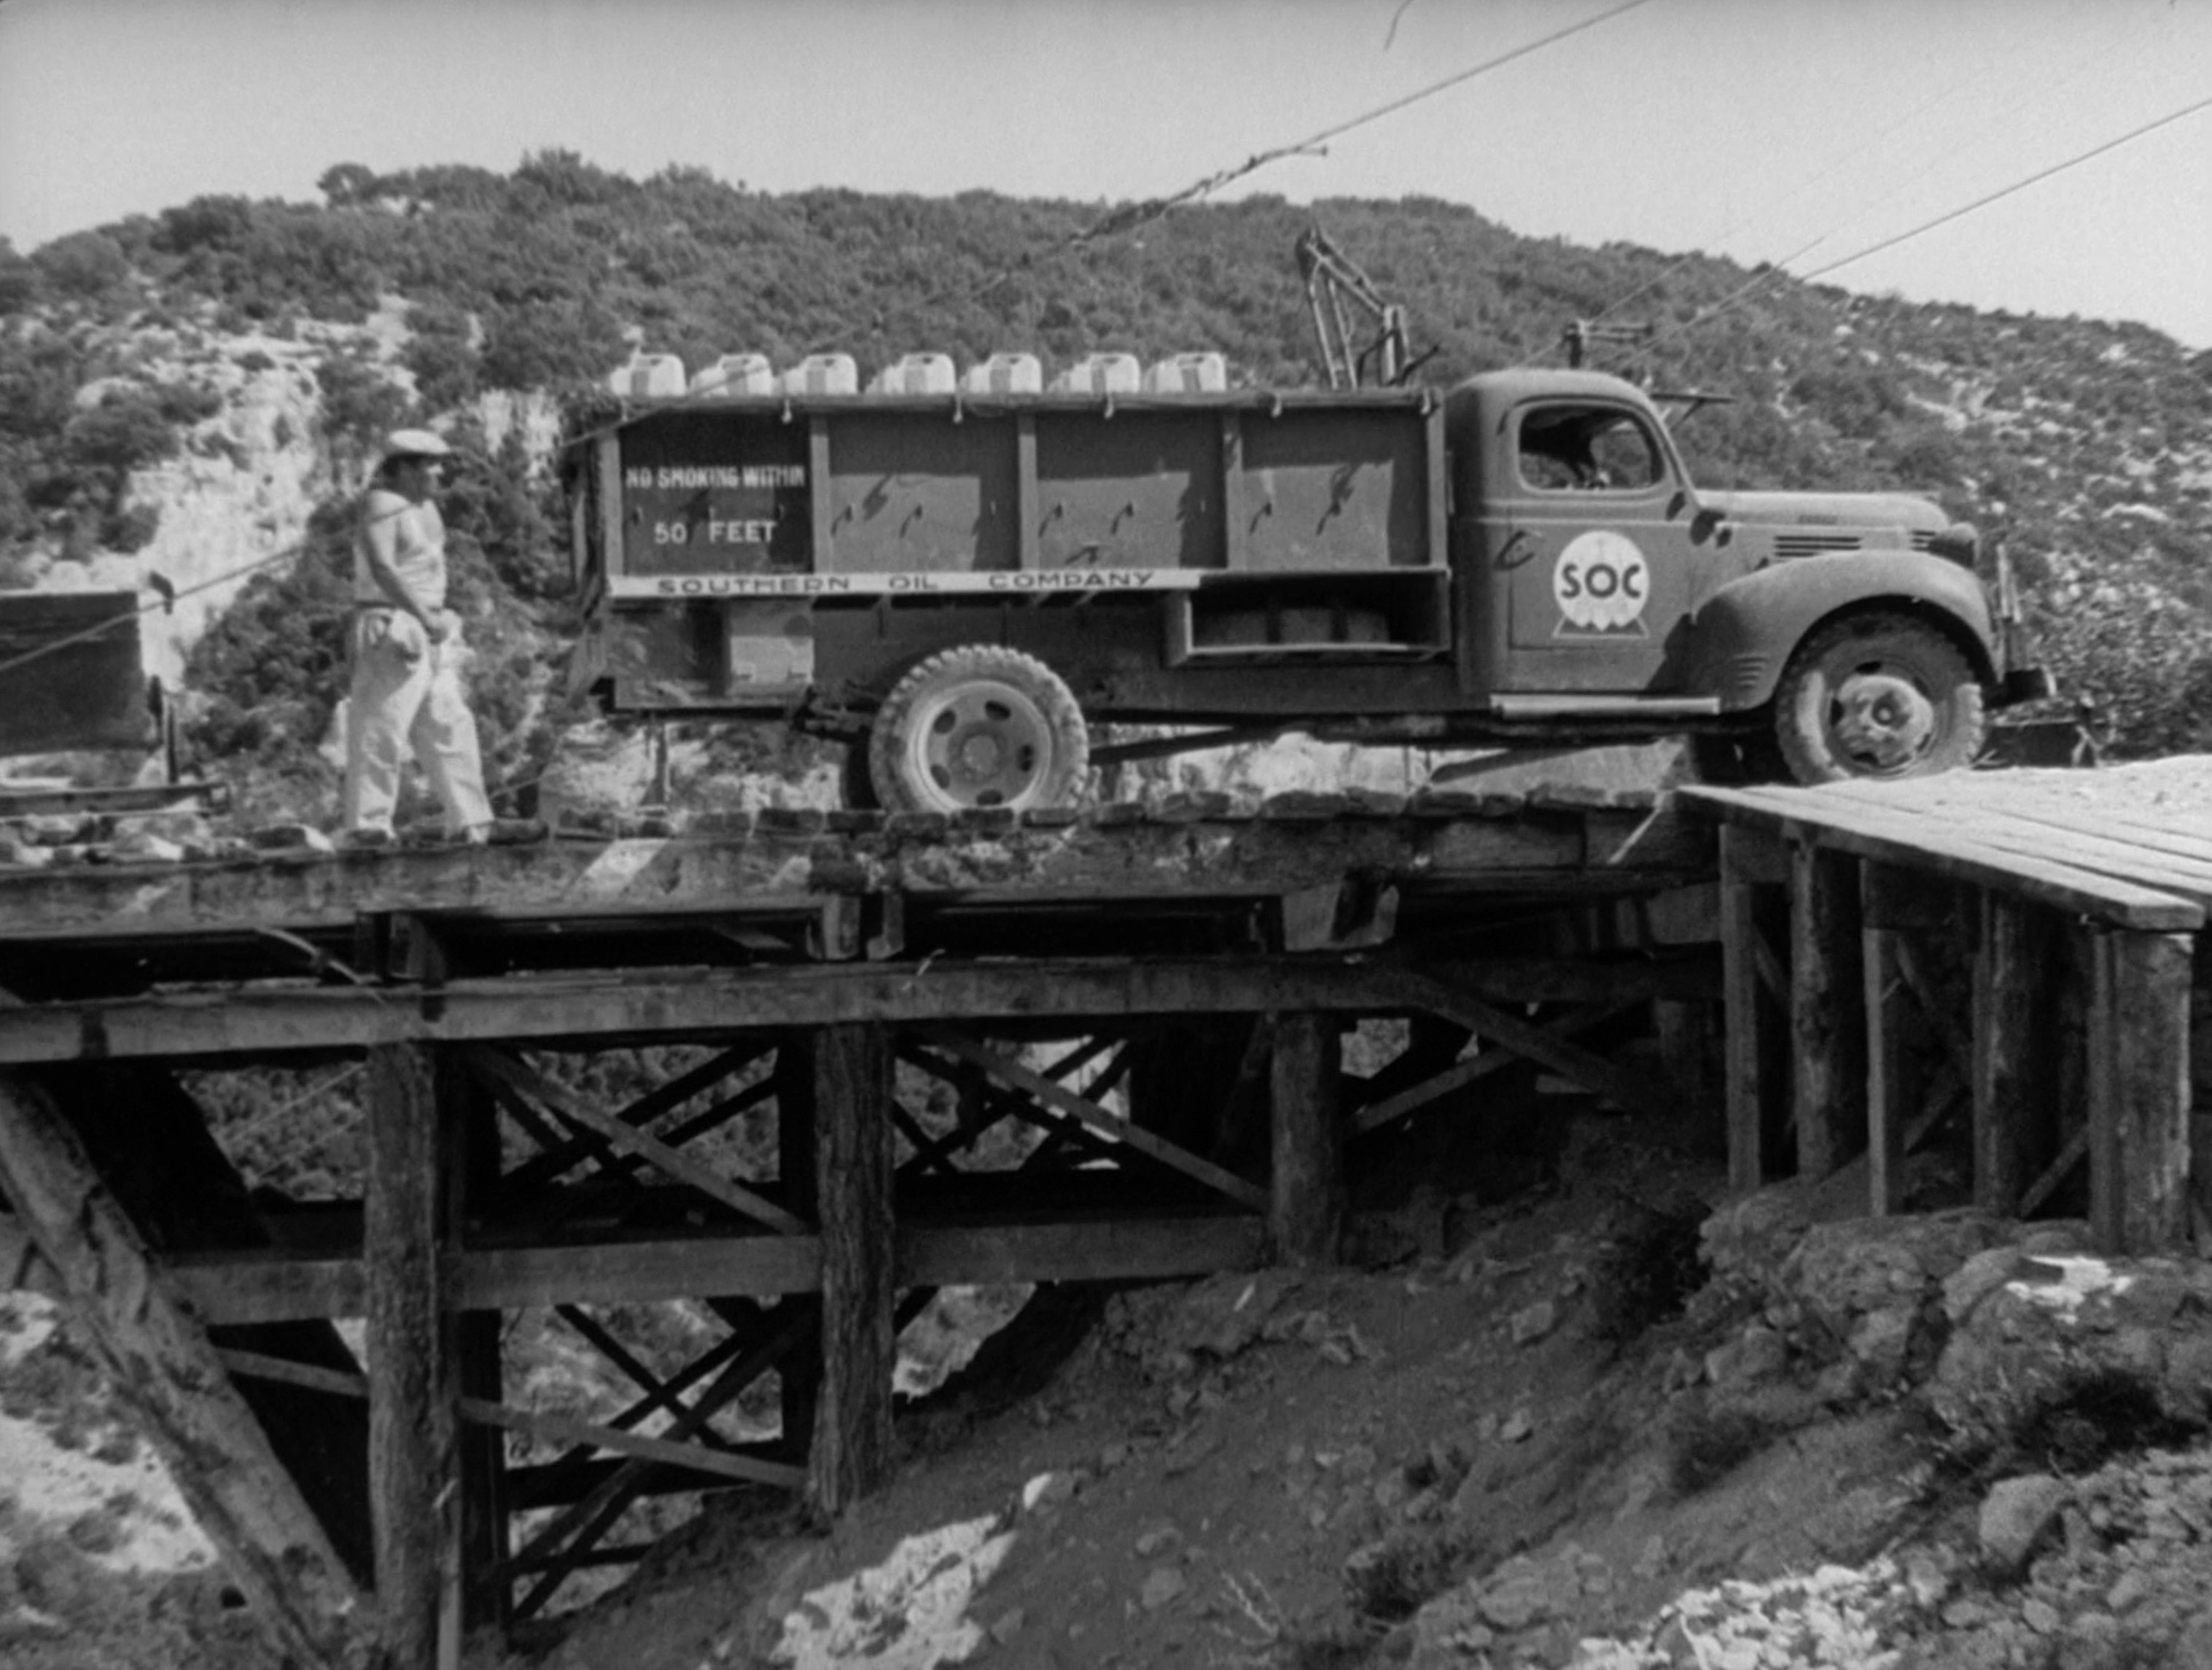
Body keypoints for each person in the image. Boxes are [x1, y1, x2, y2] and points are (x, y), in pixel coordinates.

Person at [340, 429, 493, 846]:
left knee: (448, 723)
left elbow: (426, 570)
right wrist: (424, 614)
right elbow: (384, 568)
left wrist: (437, 616)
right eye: (430, 465)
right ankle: (368, 825)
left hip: (428, 628)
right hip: (392, 622)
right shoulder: (381, 503)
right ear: (404, 468)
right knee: (381, 725)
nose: (440, 473)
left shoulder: (424, 508)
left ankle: (469, 820)